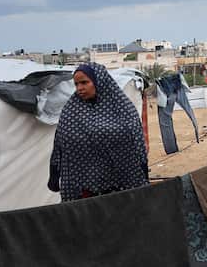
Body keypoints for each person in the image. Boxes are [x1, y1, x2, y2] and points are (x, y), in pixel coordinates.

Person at [48, 63, 149, 201]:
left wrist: (143, 171)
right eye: (76, 84)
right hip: (82, 190)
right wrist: (54, 174)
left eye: (84, 82)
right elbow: (59, 143)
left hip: (122, 186)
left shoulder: (123, 109)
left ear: (99, 80)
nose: (79, 88)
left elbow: (138, 144)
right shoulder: (70, 111)